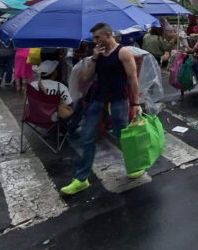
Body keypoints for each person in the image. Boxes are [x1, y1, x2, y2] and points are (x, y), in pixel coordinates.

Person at [60, 22, 142, 195]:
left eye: (97, 37)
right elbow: (86, 76)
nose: (94, 41)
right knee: (87, 136)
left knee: (123, 135)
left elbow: (133, 78)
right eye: (93, 38)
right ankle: (81, 179)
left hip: (118, 98)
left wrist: (136, 103)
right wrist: (95, 58)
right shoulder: (96, 53)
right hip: (97, 98)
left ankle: (135, 166)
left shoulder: (123, 52)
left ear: (108, 35)